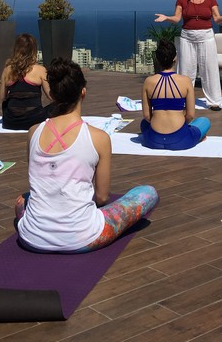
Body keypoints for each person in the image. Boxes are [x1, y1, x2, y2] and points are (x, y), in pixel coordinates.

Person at [15, 59, 159, 253]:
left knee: (24, 199)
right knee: (148, 193)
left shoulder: (34, 132)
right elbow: (101, 197)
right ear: (83, 92)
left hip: (32, 236)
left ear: (52, 95)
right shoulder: (99, 138)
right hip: (83, 236)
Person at [154, 0, 222, 111]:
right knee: (185, 69)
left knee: (209, 68)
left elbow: (217, 19)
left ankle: (214, 102)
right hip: (187, 37)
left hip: (206, 37)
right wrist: (166, 18)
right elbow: (177, 18)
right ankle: (181, 100)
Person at [140, 39, 211, 151]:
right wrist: (182, 126)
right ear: (175, 58)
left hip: (154, 140)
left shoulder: (149, 82)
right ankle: (197, 137)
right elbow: (190, 115)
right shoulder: (185, 81)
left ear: (158, 59)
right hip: (180, 140)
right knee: (204, 121)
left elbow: (147, 116)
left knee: (144, 123)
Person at [0, 33, 51, 130]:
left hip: (11, 122)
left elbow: (2, 97)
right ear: (34, 50)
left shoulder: (7, 70)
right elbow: (50, 96)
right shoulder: (40, 70)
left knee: (6, 104)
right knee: (55, 106)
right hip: (35, 121)